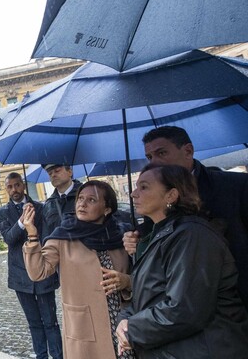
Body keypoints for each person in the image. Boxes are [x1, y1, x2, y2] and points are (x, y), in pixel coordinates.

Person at [116, 164, 248, 358]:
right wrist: (125, 320)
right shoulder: (161, 235)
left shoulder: (192, 236)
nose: (134, 194)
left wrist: (133, 328)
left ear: (171, 195)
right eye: (135, 187)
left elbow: (186, 309)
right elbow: (148, 294)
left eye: (144, 187)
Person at [123, 126, 248, 308]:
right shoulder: (155, 195)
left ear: (188, 151)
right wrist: (138, 238)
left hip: (236, 304)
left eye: (162, 153)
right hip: (183, 306)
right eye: (150, 157)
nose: (155, 162)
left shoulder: (235, 186)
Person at [23, 180, 136, 359]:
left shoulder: (122, 235)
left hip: (122, 323)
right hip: (85, 328)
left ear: (107, 208)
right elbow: (38, 272)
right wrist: (32, 235)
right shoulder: (64, 236)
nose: (82, 204)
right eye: (80, 198)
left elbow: (143, 276)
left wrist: (126, 281)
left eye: (91, 200)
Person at [0, 172, 63, 359]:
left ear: (23, 185)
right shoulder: (3, 213)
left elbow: (48, 237)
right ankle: (41, 355)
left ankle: (58, 356)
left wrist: (33, 221)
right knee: (34, 322)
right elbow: (9, 239)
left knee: (50, 321)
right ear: (6, 189)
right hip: (20, 276)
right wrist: (21, 223)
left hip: (43, 272)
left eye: (17, 185)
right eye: (9, 187)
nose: (14, 190)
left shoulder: (41, 208)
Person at [40, 164, 83, 240]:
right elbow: (46, 235)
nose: (53, 175)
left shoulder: (84, 196)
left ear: (70, 172)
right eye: (50, 173)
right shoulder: (49, 204)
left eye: (57, 171)